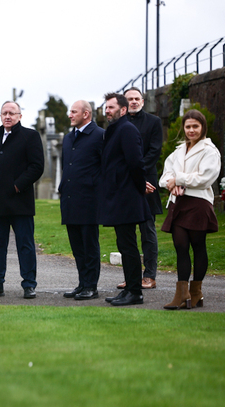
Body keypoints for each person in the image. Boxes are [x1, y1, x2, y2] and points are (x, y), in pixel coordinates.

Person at [0, 101, 44, 299]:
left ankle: (29, 285)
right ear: (0, 116)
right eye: (4, 113)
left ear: (19, 116)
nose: (8, 116)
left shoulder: (30, 136)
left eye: (12, 113)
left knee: (25, 245)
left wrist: (17, 186)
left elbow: (36, 167)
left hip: (19, 201)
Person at [158, 109, 221, 310]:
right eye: (188, 126)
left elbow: (206, 178)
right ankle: (181, 294)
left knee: (198, 246)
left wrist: (180, 179)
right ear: (183, 128)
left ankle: (196, 292)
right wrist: (170, 183)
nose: (191, 130)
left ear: (202, 127)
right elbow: (165, 175)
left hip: (198, 204)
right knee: (180, 247)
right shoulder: (177, 151)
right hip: (178, 204)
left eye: (195, 126)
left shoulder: (210, 151)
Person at [100, 93, 154, 306]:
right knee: (124, 244)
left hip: (127, 196)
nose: (107, 111)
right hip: (118, 196)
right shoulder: (113, 131)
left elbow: (136, 163)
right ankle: (130, 290)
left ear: (122, 110)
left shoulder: (127, 130)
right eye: (106, 107)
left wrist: (140, 188)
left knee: (129, 246)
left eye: (111, 107)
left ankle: (135, 292)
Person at [118, 87, 164, 290]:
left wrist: (137, 175)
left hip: (147, 182)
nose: (134, 101)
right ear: (124, 103)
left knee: (147, 230)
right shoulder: (119, 124)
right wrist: (127, 176)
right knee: (126, 233)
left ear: (143, 102)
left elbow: (154, 151)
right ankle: (132, 276)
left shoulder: (154, 122)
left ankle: (150, 276)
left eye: (137, 98)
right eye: (130, 99)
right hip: (125, 184)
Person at [59, 100, 104, 300]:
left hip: (89, 199)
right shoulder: (69, 138)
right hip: (70, 198)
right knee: (77, 247)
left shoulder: (99, 135)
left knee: (89, 245)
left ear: (86, 114)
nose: (70, 115)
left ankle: (91, 286)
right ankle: (82, 283)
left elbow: (106, 167)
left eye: (73, 112)